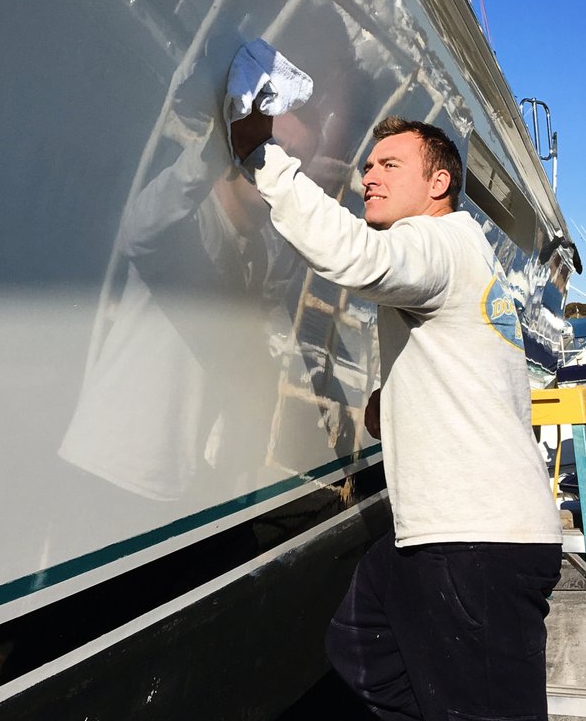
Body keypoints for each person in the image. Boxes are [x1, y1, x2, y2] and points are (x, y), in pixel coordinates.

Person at [230, 107, 563, 721]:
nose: (367, 177)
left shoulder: (434, 241)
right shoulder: (469, 256)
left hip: (471, 542)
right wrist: (401, 401)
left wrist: (264, 159)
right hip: (457, 533)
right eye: (367, 165)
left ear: (439, 184)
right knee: (361, 642)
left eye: (389, 164)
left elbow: (359, 259)